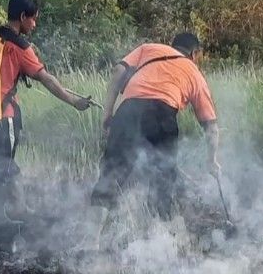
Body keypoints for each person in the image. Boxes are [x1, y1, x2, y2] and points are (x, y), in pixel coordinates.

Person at [0, 0, 92, 222]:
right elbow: (46, 79)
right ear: (23, 16)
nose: (34, 24)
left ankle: (12, 207)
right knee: (4, 164)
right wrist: (74, 101)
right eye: (33, 19)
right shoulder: (21, 47)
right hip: (5, 114)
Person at [87, 32, 220, 242]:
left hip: (127, 112)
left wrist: (108, 114)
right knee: (162, 185)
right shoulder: (194, 73)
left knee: (110, 178)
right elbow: (211, 128)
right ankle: (158, 247)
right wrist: (211, 161)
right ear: (195, 54)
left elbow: (117, 70)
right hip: (162, 118)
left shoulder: (149, 49)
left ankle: (89, 243)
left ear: (171, 46)